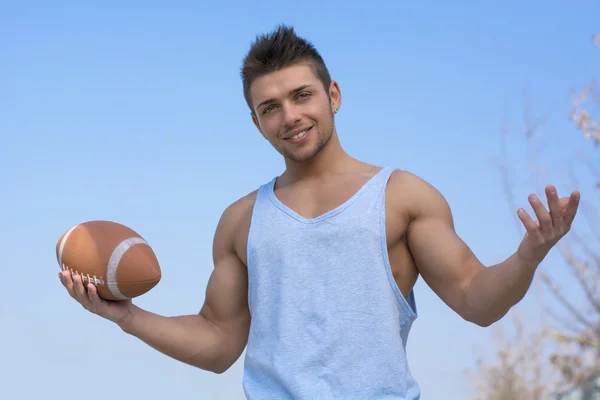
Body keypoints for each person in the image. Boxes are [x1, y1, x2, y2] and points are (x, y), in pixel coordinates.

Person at [58, 25, 580, 399]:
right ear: (256, 122)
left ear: (332, 95)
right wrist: (125, 316)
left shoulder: (403, 196)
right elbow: (218, 344)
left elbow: (476, 301)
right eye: (270, 108)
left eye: (302, 95)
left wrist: (527, 257)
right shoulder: (239, 222)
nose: (290, 116)